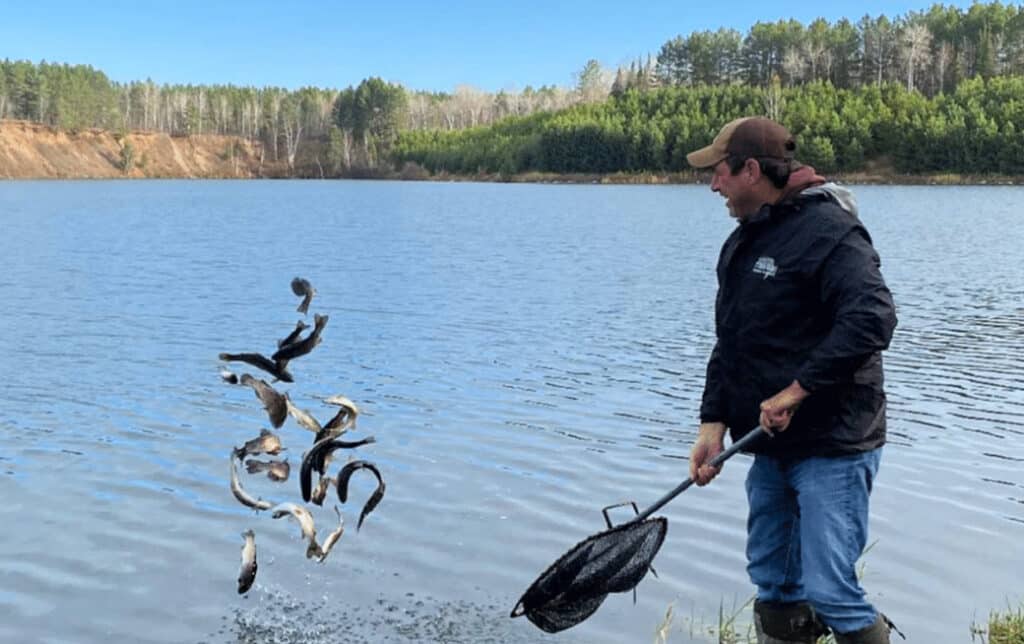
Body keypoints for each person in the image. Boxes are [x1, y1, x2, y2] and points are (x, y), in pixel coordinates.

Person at [685, 117, 899, 644]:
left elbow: (872, 317)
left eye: (719, 174)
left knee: (830, 591)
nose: (713, 186)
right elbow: (731, 340)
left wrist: (797, 391)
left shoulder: (831, 232)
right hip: (771, 446)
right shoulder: (743, 243)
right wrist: (712, 422)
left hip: (834, 444)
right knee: (776, 589)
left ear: (751, 169)